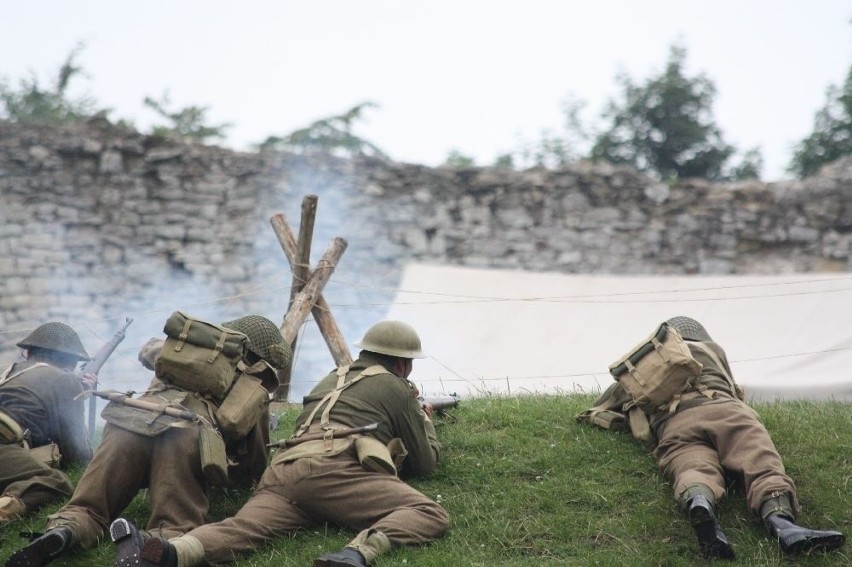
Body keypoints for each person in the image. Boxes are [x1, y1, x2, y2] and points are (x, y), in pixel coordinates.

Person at [109, 319, 450, 567]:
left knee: (241, 529)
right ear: (403, 364)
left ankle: (167, 551)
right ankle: (356, 553)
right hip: (336, 472)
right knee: (428, 512)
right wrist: (424, 419)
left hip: (285, 472)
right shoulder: (395, 386)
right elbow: (425, 462)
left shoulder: (330, 379)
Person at [6, 314, 290, 567]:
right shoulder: (254, 385)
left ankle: (65, 532)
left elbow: (148, 353)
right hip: (183, 433)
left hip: (129, 420)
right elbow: (253, 463)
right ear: (264, 357)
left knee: (88, 506)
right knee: (173, 524)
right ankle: (145, 548)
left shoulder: (182, 354)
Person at [578, 316, 845, 559]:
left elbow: (596, 411)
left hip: (676, 425)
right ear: (700, 336)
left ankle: (700, 501)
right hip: (726, 413)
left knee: (692, 466)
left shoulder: (640, 371)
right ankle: (784, 525)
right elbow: (733, 390)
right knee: (760, 462)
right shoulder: (712, 351)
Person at [0, 322, 94, 525]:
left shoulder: (8, 373)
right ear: (69, 361)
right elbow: (77, 455)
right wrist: (74, 392)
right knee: (57, 482)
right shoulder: (63, 379)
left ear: (29, 352)